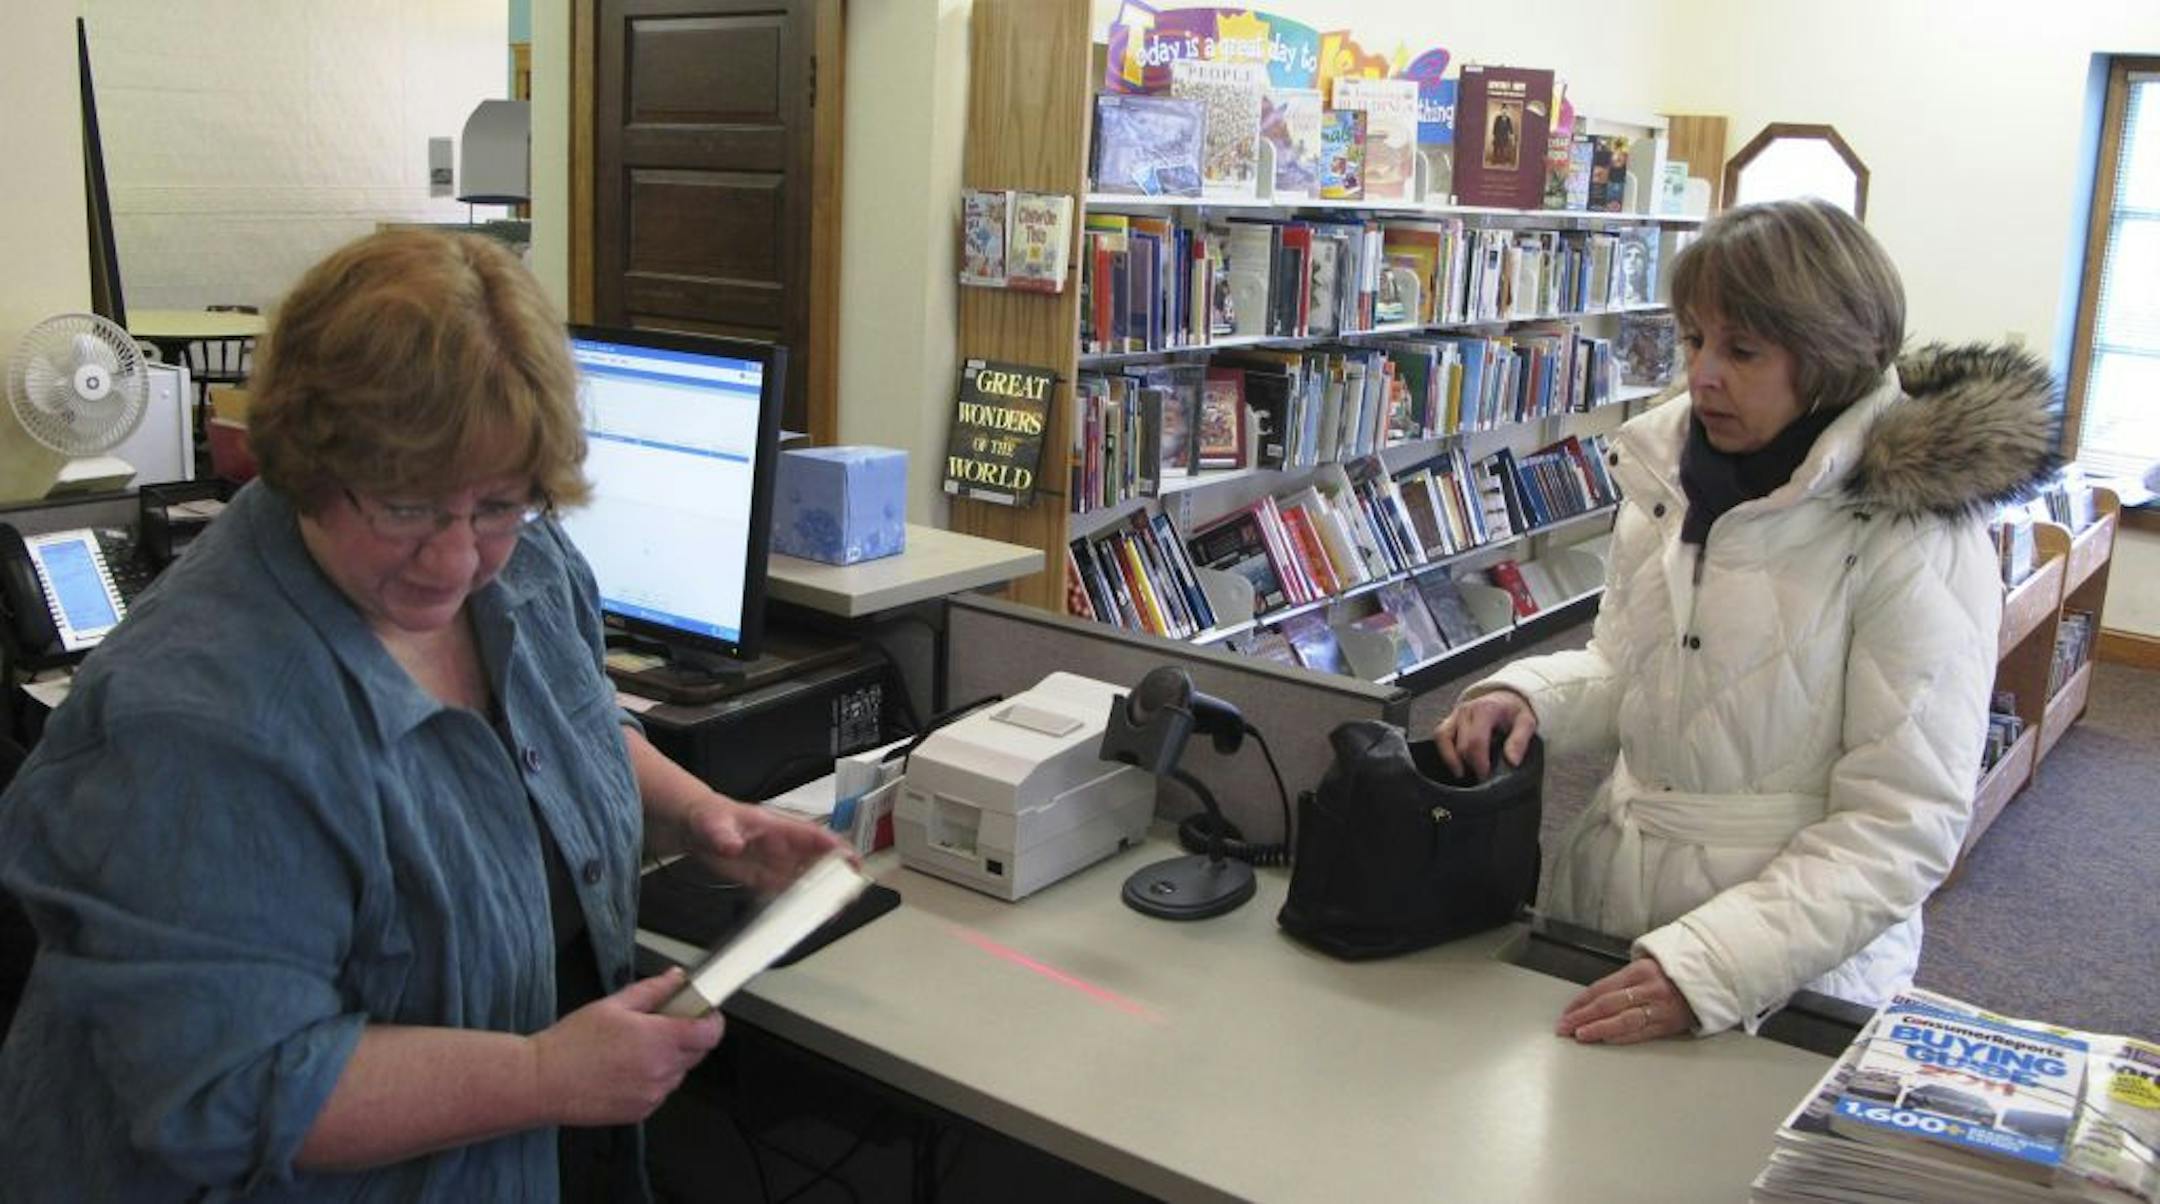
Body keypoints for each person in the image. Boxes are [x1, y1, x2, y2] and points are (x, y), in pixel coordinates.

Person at [0, 229, 850, 1200]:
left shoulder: (522, 557)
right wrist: (544, 1075)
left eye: (499, 504)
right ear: (306, 461)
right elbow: (228, 1087)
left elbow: (562, 720)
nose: (455, 560)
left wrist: (702, 815)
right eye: (405, 508)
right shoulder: (199, 722)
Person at [1433, 198, 2056, 1044]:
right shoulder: (1666, 475)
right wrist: (1530, 694)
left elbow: (1902, 823)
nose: (1702, 375)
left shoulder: (1916, 533)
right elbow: (1627, 670)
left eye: (1742, 350)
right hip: (1606, 919)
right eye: (1694, 339)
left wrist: (1714, 967)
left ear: (1832, 356)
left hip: (1792, 977)